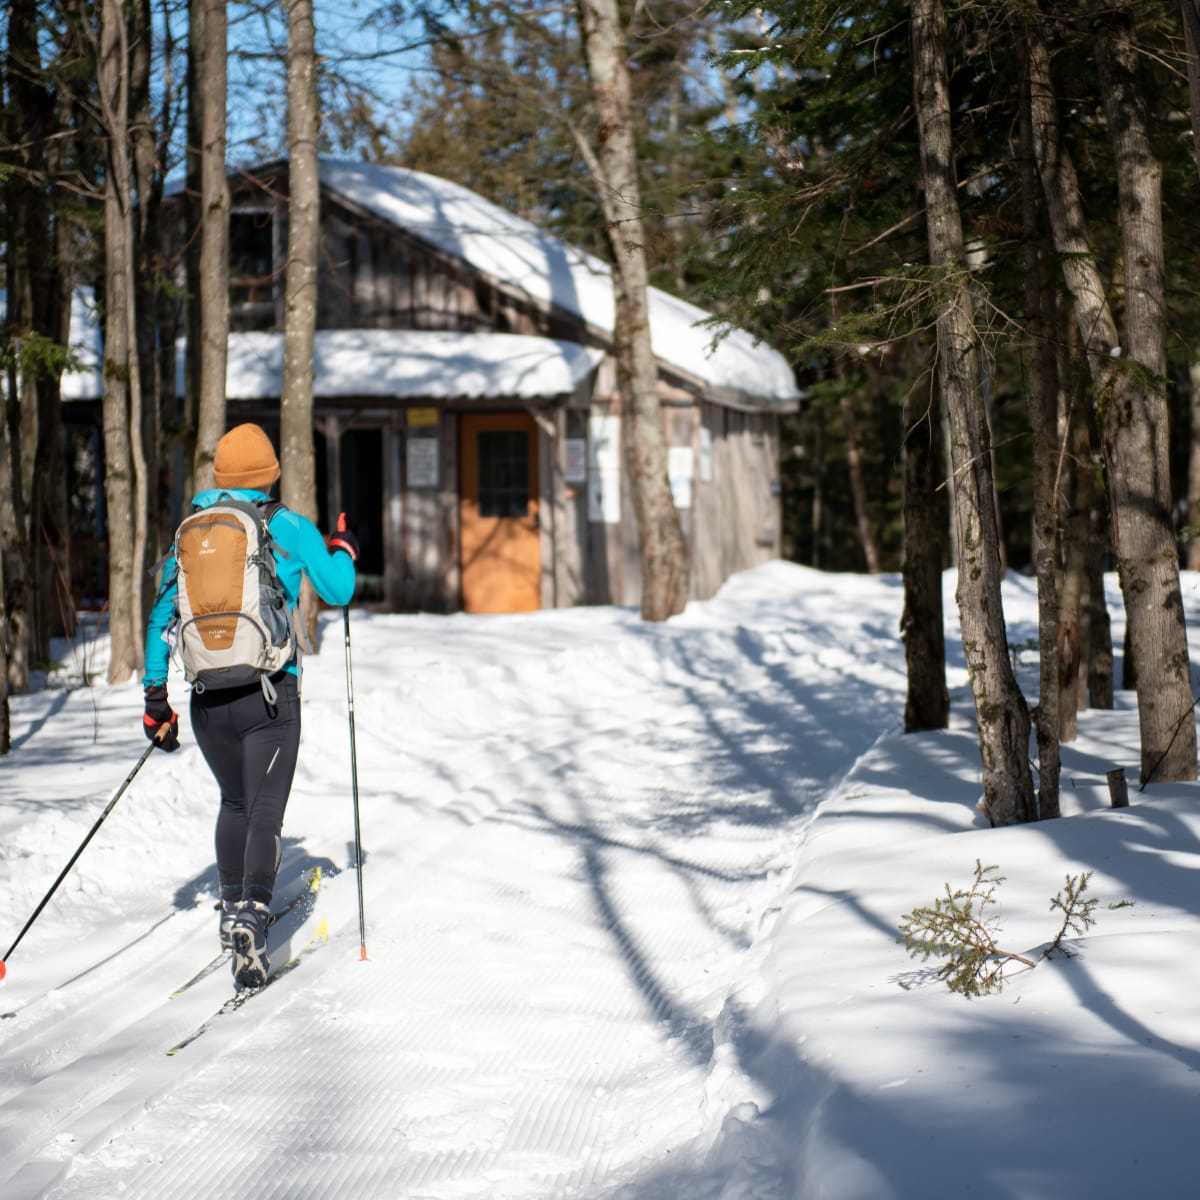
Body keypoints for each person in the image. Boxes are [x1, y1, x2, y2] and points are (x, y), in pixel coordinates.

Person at [141, 422, 358, 990]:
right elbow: (337, 589)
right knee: (265, 811)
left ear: (218, 477)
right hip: (269, 694)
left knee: (234, 801)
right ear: (270, 476)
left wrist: (154, 698)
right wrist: (345, 550)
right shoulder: (285, 526)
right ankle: (253, 917)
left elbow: (161, 616)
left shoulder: (189, 533)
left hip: (207, 701)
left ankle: (232, 905)